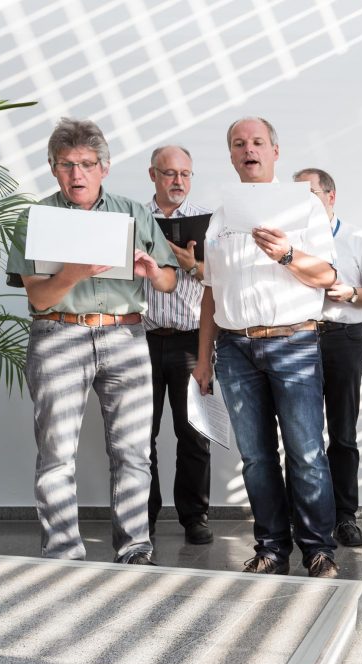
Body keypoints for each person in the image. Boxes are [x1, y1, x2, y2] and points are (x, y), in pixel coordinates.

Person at [5, 117, 178, 564]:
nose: (76, 174)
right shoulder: (36, 218)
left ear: (104, 167)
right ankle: (63, 552)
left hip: (124, 334)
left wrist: (152, 270)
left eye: (85, 164)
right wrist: (73, 273)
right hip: (58, 334)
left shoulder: (133, 213)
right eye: (65, 165)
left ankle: (135, 547)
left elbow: (168, 284)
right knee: (57, 452)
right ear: (52, 167)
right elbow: (38, 295)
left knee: (134, 451)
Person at [192, 117, 339, 578]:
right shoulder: (220, 218)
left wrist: (288, 256)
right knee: (256, 457)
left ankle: (318, 549)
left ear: (275, 151)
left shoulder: (306, 208)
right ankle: (272, 548)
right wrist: (202, 358)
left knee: (307, 453)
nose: (248, 149)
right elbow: (211, 293)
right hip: (234, 350)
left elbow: (330, 278)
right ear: (231, 155)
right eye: (239, 143)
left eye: (257, 142)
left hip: (293, 342)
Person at [292, 167, 362, 548]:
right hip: (298, 338)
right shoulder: (289, 243)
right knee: (301, 434)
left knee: (342, 433)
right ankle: (303, 514)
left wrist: (349, 293)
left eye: (310, 193)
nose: (304, 202)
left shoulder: (356, 238)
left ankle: (345, 516)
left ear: (331, 196)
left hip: (344, 337)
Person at [144, 145, 214, 545]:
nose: (178, 182)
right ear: (153, 175)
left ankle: (194, 517)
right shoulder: (134, 218)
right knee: (141, 435)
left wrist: (189, 264)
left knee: (194, 433)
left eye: (185, 174)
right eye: (170, 174)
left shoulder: (208, 222)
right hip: (142, 339)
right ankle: (144, 517)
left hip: (191, 341)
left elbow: (217, 278)